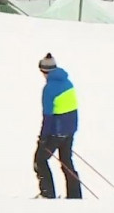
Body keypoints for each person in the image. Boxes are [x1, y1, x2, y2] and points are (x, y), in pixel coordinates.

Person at [33, 53, 82, 199]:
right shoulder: (68, 82)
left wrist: (43, 137)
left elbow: (48, 117)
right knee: (66, 161)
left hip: (56, 131)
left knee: (40, 160)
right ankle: (75, 195)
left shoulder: (49, 88)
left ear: (44, 71)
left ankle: (47, 194)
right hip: (70, 129)